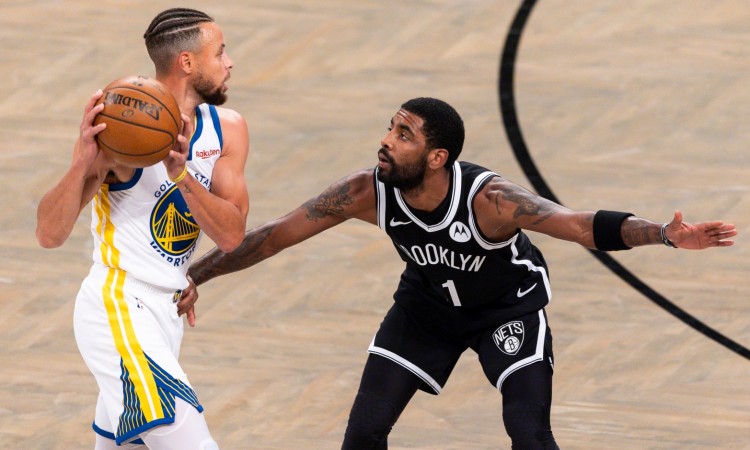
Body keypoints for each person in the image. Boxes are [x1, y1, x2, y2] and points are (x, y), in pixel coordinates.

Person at [186, 97, 736, 449]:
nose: (386, 140)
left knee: (528, 432)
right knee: (364, 434)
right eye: (390, 127)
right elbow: (272, 236)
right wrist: (196, 276)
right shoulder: (365, 191)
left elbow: (579, 225)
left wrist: (664, 233)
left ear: (437, 157)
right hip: (426, 310)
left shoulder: (489, 200)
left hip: (506, 310)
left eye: (404, 134)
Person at [35, 8, 249, 450]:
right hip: (117, 306)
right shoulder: (118, 128)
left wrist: (182, 176)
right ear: (187, 62)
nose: (229, 63)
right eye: (220, 53)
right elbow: (49, 235)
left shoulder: (228, 129)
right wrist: (82, 163)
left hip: (166, 314)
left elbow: (231, 236)